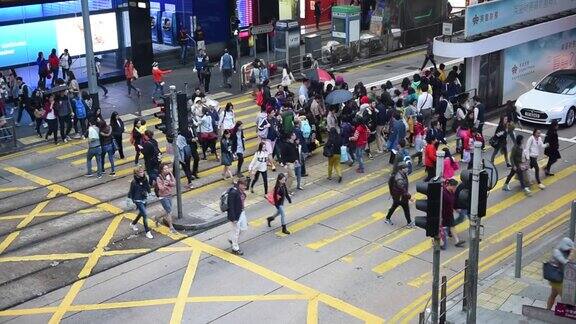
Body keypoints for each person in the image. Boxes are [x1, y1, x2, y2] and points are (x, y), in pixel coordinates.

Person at [546, 237, 575, 310]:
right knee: (566, 297)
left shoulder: (566, 252)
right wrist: (572, 254)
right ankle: (565, 312)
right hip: (556, 278)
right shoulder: (557, 252)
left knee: (553, 294)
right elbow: (566, 263)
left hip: (560, 279)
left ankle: (548, 309)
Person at [384, 162, 413, 226]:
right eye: (406, 168)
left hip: (398, 196)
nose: (407, 169)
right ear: (402, 169)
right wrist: (409, 197)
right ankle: (409, 223)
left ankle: (387, 218)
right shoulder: (399, 179)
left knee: (394, 207)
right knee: (406, 209)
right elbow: (402, 190)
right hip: (401, 197)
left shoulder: (401, 174)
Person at [128, 165, 153, 239]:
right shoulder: (134, 182)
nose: (142, 173)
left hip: (144, 198)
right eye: (141, 172)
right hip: (137, 200)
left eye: (143, 171)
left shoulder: (145, 179)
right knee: (145, 215)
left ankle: (133, 223)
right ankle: (147, 231)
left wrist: (149, 192)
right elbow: (131, 192)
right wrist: (131, 201)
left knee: (141, 213)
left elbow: (148, 187)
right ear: (137, 173)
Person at [441, 179, 465, 249]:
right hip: (442, 215)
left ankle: (457, 241)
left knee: (452, 226)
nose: (455, 188)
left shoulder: (451, 192)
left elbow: (452, 202)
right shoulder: (443, 193)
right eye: (454, 187)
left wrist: (456, 208)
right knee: (441, 229)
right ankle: (439, 243)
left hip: (449, 213)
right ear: (449, 186)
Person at [227, 177, 248, 255]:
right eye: (244, 186)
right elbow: (231, 206)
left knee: (244, 229)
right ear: (240, 184)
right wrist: (233, 218)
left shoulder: (241, 191)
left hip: (241, 212)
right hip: (235, 215)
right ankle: (235, 248)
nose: (245, 187)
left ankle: (232, 239)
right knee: (236, 231)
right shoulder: (233, 192)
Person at [154, 162, 177, 233]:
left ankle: (157, 217)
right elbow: (161, 189)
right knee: (169, 211)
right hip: (163, 197)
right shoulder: (159, 178)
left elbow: (174, 183)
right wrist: (165, 183)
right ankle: (171, 227)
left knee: (168, 210)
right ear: (161, 170)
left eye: (167, 168)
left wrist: (169, 182)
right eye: (165, 169)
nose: (167, 170)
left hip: (169, 195)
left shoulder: (170, 174)